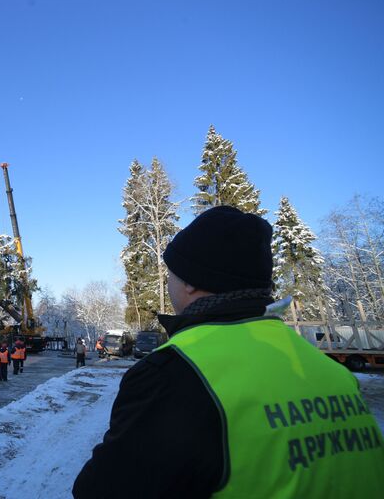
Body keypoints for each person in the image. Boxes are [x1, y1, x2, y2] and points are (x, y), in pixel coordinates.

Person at [73, 206, 384, 498]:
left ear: (192, 282)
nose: (168, 282)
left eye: (171, 272)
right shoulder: (328, 369)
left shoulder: (172, 374)